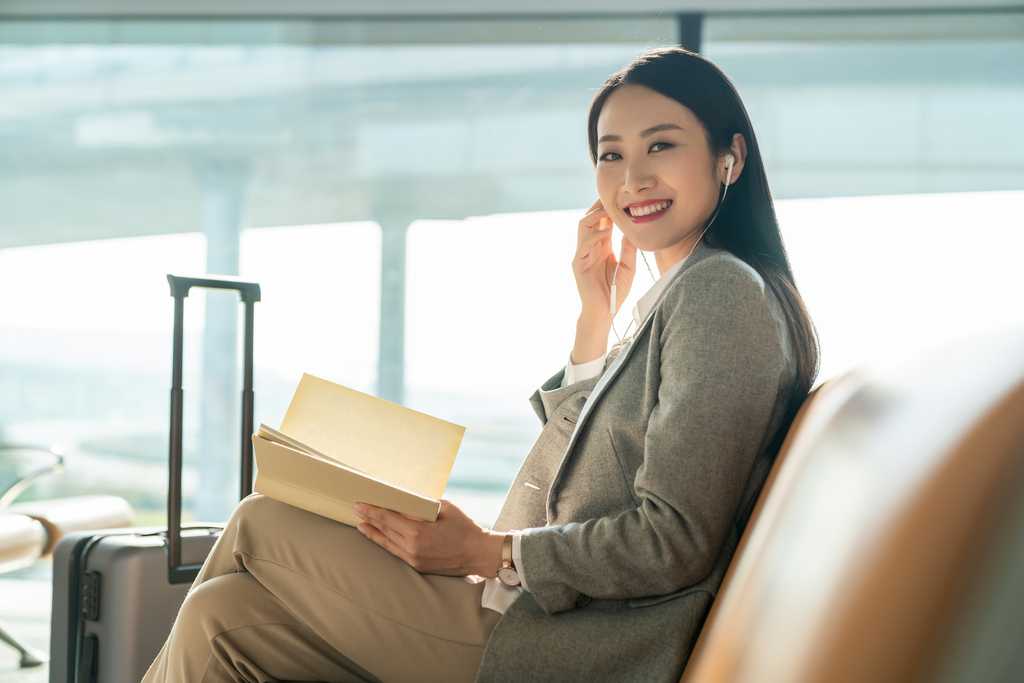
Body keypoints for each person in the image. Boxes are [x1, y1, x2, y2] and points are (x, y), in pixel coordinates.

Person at [142, 46, 818, 683]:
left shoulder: (720, 292)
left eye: (660, 145)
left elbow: (672, 540)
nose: (632, 178)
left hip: (570, 643)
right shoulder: (668, 301)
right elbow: (568, 492)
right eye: (611, 155)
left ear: (730, 157)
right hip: (531, 607)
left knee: (262, 520)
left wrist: (484, 552)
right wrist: (592, 325)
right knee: (217, 618)